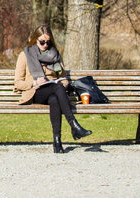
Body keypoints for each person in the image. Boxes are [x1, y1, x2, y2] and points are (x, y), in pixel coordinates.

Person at [14, 24, 92, 153]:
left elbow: (64, 78)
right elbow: (18, 83)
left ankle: (57, 142)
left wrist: (63, 83)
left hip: (54, 91)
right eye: (42, 42)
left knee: (55, 98)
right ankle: (74, 125)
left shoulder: (55, 54)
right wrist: (34, 83)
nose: (45, 45)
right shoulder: (25, 55)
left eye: (48, 42)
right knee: (56, 89)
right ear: (35, 40)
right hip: (35, 92)